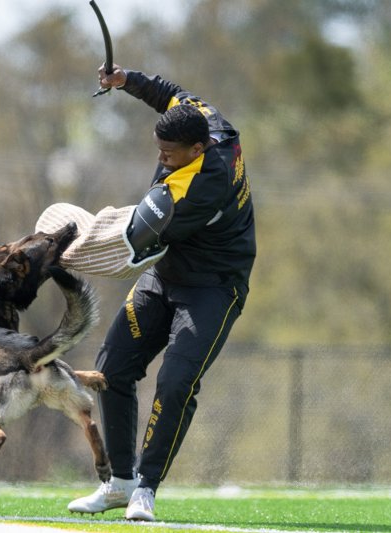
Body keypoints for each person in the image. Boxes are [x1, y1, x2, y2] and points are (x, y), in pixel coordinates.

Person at [66, 65, 256, 522]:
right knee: (113, 369)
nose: (162, 159)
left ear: (199, 148)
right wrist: (126, 79)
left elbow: (132, 244)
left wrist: (67, 249)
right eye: (159, 150)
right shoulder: (205, 120)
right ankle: (120, 483)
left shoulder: (201, 188)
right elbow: (170, 94)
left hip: (213, 287)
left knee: (174, 382)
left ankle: (145, 489)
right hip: (166, 278)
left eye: (170, 154)